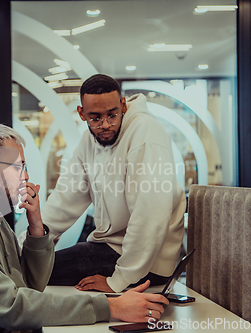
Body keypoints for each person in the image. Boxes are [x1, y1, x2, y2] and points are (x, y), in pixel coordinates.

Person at [0, 123, 168, 332]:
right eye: (18, 167)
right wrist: (111, 307)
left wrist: (36, 226)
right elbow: (11, 307)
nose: (25, 177)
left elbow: (30, 286)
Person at [43, 74, 186, 293]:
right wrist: (30, 240)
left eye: (112, 115)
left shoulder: (146, 133)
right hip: (111, 248)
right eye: (95, 118)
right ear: (82, 114)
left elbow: (151, 213)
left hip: (149, 263)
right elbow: (65, 199)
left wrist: (118, 280)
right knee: (32, 266)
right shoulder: (88, 142)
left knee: (35, 272)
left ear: (123, 105)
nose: (105, 125)